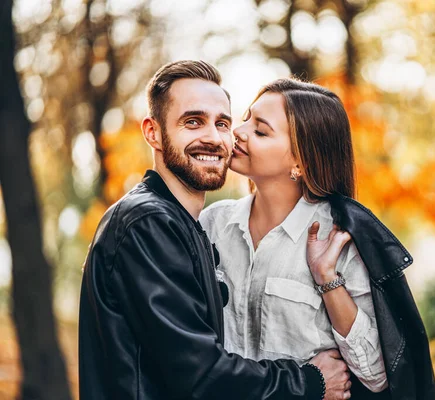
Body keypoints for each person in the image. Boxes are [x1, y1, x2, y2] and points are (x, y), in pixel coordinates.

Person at [78, 60, 352, 400]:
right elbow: (199, 375)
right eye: (193, 122)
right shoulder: (147, 224)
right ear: (153, 132)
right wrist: (310, 382)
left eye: (222, 123)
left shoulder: (189, 225)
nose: (213, 137)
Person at [199, 79, 435, 399]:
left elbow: (378, 375)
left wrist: (328, 280)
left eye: (260, 130)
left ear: (300, 162)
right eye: (245, 118)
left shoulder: (338, 238)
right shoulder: (212, 223)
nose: (237, 131)